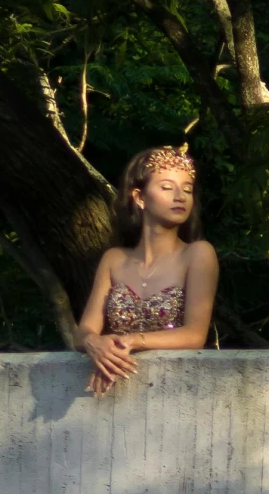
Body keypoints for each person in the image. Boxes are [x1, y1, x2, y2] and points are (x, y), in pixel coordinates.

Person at [77, 146, 221, 395]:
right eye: (167, 187)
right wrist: (96, 344)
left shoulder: (198, 254)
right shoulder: (114, 259)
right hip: (116, 392)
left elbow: (195, 335)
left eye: (187, 189)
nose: (180, 196)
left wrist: (132, 341)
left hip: (175, 390)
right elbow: (84, 331)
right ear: (140, 197)